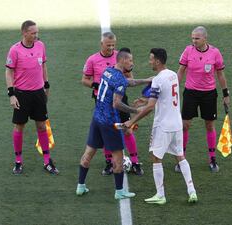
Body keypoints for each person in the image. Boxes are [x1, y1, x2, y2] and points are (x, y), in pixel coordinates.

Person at [124, 48, 198, 204]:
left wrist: (132, 121)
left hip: (163, 125)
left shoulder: (157, 79)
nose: (149, 62)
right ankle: (192, 191)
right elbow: (166, 96)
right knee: (180, 156)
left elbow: (151, 107)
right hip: (177, 123)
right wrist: (145, 100)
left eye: (151, 59)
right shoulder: (173, 75)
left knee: (155, 157)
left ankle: (160, 195)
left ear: (157, 61)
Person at [76, 51, 150, 199]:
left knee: (88, 153)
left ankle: (81, 186)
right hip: (110, 123)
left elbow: (129, 82)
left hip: (97, 118)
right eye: (130, 61)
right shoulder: (120, 80)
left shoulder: (108, 71)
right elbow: (117, 103)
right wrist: (136, 110)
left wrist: (147, 80)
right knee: (118, 157)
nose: (132, 63)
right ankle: (119, 191)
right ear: (122, 60)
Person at [81, 32, 143, 176]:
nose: (111, 48)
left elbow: (130, 78)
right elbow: (84, 79)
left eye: (113, 45)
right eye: (108, 45)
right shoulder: (92, 60)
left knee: (127, 129)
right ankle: (109, 162)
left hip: (120, 98)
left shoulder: (121, 58)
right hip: (102, 101)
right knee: (107, 131)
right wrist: (96, 85)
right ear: (101, 44)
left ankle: (135, 162)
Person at [5, 20, 59, 175]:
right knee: (19, 127)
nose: (37, 35)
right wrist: (11, 94)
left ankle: (47, 161)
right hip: (21, 94)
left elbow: (43, 66)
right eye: (33, 33)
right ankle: (18, 162)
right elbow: (8, 72)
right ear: (24, 33)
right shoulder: (15, 50)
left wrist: (46, 85)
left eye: (37, 32)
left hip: (38, 93)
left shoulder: (40, 46)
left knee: (42, 126)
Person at [176, 26, 230, 173]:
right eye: (192, 38)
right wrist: (173, 89)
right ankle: (182, 159)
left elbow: (220, 75)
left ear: (205, 38)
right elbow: (181, 71)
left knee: (209, 126)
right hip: (191, 93)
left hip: (209, 94)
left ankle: (212, 159)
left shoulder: (215, 53)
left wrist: (226, 94)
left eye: (197, 38)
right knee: (185, 125)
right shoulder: (188, 50)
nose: (194, 41)